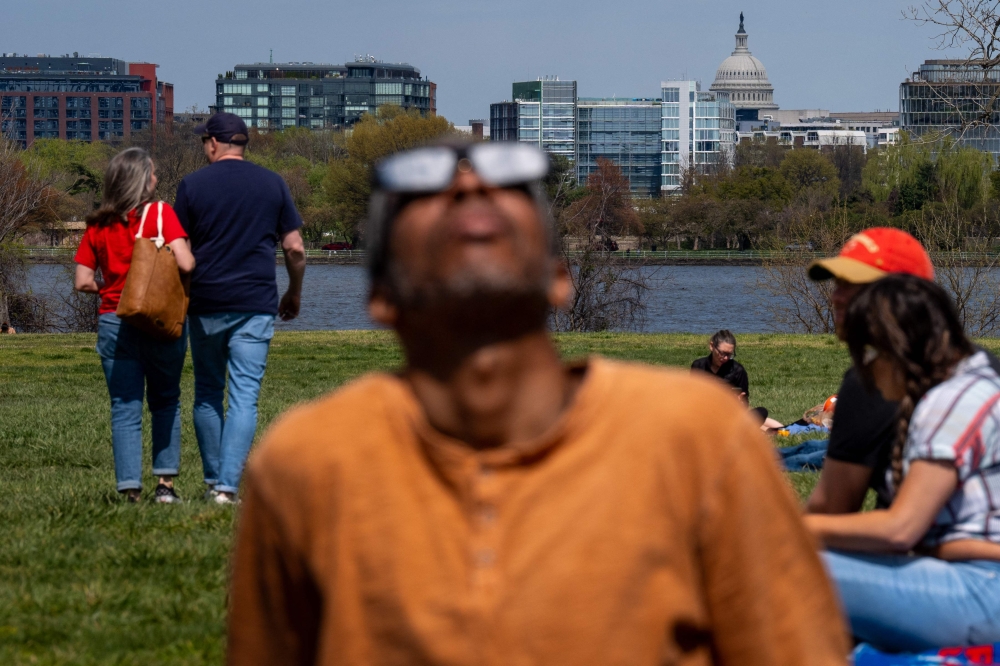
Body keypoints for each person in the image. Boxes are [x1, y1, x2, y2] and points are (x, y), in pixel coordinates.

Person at [226, 139, 848, 665]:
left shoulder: (697, 437)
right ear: (382, 298)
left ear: (558, 277)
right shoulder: (308, 464)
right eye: (426, 195)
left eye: (505, 191)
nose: (468, 194)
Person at [805, 275, 1000, 652]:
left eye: (869, 355)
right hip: (968, 577)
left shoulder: (954, 401)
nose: (866, 374)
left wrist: (780, 526)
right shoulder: (971, 385)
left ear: (895, 351)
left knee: (780, 563)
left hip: (981, 591)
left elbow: (900, 530)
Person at [804, 228, 1000, 513]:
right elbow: (832, 505)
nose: (836, 297)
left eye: (851, 285)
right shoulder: (864, 386)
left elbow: (901, 528)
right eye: (837, 283)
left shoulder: (974, 387)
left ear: (902, 297)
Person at [173, 113, 306, 505]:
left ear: (213, 143)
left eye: (203, 143)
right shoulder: (273, 183)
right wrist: (294, 292)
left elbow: (178, 250)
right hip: (255, 302)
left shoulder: (192, 185)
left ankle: (215, 480)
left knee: (207, 393)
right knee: (245, 396)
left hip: (206, 302)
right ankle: (228, 488)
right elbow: (295, 248)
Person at [73, 147, 195, 503]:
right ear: (141, 181)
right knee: (166, 400)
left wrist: (110, 288)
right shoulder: (161, 213)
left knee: (125, 406)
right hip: (159, 319)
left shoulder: (98, 225)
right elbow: (186, 263)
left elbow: (81, 280)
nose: (156, 179)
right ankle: (165, 487)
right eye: (153, 173)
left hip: (114, 320)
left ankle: (129, 489)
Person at [691, 329, 783, 430]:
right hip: (703, 414)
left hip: (729, 415)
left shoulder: (737, 370)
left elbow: (744, 403)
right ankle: (761, 430)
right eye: (722, 353)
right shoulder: (698, 366)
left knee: (761, 412)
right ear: (712, 346)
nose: (725, 358)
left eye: (729, 354)